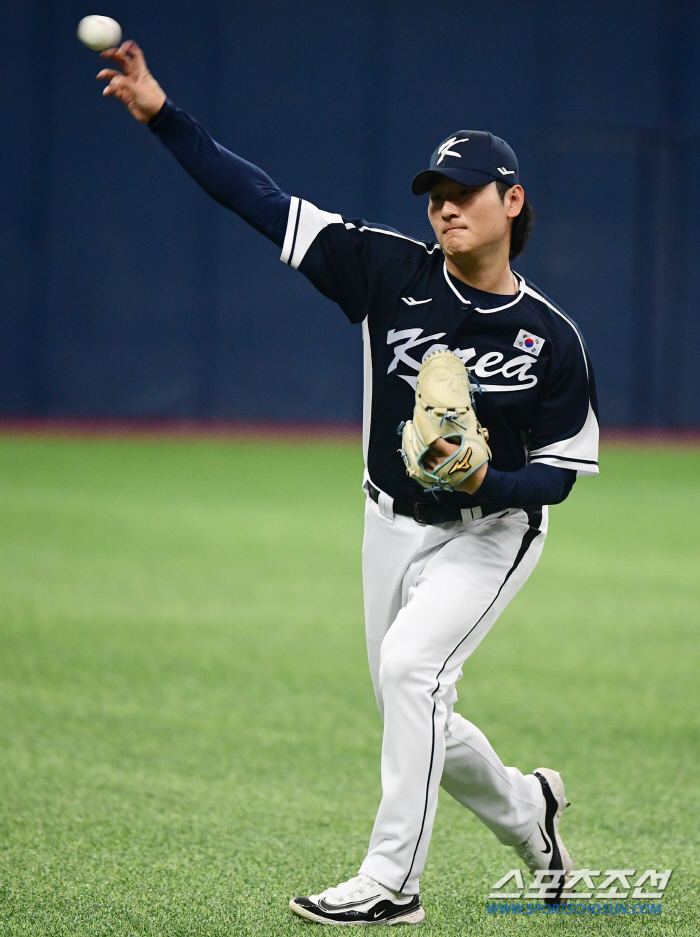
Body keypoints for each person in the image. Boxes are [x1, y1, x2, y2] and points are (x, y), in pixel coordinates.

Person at [98, 41, 599, 926]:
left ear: (512, 201)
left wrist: (494, 475)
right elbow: (260, 201)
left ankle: (389, 884)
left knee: (412, 671)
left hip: (490, 530)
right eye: (435, 194)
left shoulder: (549, 337)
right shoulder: (385, 270)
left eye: (465, 192)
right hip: (388, 521)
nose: (445, 207)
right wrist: (163, 116)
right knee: (419, 705)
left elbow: (559, 478)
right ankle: (531, 811)